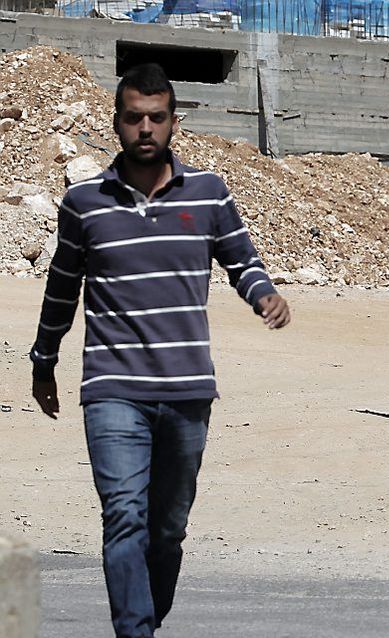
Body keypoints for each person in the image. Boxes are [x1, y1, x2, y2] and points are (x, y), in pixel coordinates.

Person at [29, 63, 290, 638]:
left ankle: (145, 618)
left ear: (174, 123)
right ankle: (136, 632)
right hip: (112, 390)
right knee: (124, 517)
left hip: (187, 390)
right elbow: (62, 286)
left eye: (156, 118)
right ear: (117, 123)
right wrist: (43, 360)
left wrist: (264, 294)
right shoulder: (84, 204)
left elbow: (241, 259)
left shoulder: (208, 192)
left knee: (167, 528)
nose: (145, 128)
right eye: (133, 118)